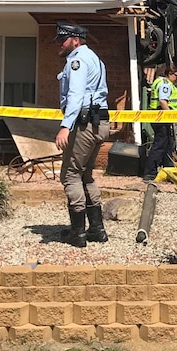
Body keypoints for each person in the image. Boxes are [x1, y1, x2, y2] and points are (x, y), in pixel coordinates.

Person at [54, 20, 110, 248]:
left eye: (63, 40)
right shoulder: (95, 58)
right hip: (99, 122)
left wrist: (66, 126)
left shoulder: (76, 60)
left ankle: (78, 234)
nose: (60, 44)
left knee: (70, 175)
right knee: (85, 175)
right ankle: (96, 229)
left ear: (75, 40)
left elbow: (76, 94)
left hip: (84, 123)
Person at [144, 63, 177, 180]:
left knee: (167, 144)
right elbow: (163, 102)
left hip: (160, 117)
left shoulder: (161, 82)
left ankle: (168, 169)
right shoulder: (165, 84)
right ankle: (150, 173)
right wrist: (170, 116)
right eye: (176, 76)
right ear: (169, 74)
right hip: (162, 117)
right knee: (159, 145)